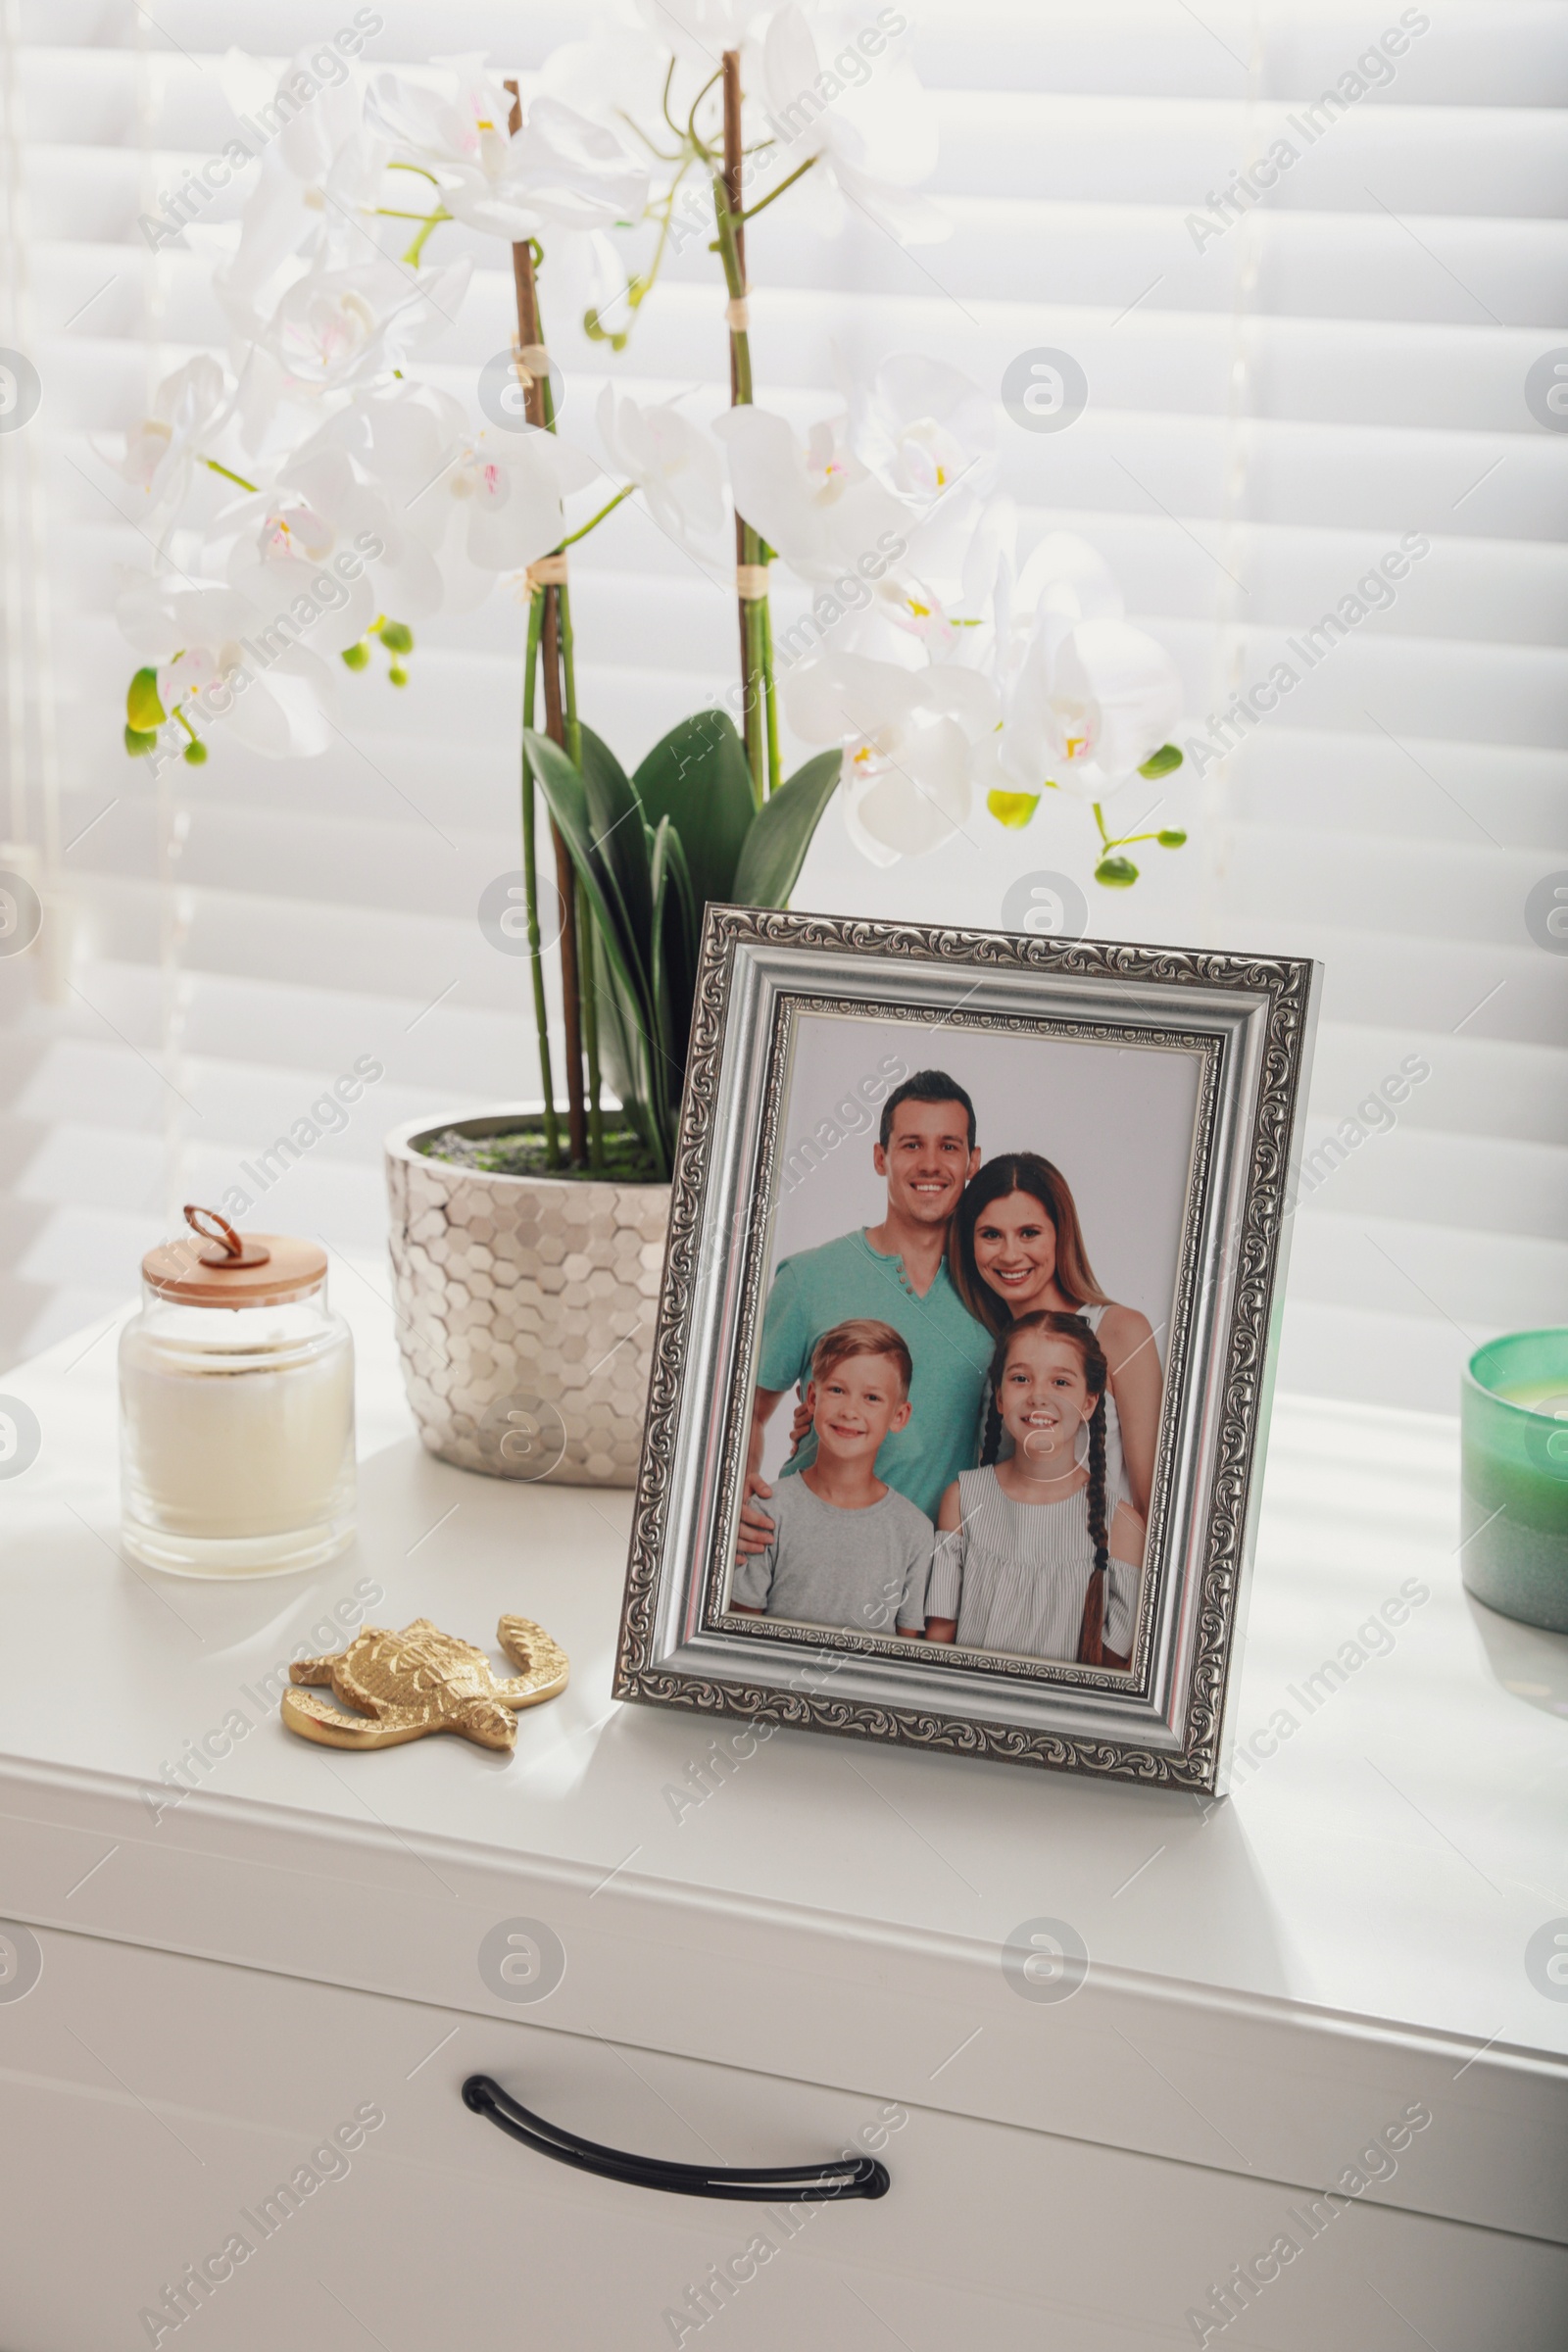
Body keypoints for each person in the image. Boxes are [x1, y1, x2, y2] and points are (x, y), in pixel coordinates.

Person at [740, 1070, 993, 1540]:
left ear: (973, 1161)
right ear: (881, 1158)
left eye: (949, 1146)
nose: (931, 1164)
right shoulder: (809, 1278)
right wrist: (736, 1494)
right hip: (806, 1548)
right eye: (912, 1144)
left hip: (931, 1572)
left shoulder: (994, 1291)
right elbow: (745, 1413)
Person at [951, 1152, 1162, 1519]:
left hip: (1095, 1566)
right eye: (991, 1235)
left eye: (1029, 1233)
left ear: (1061, 1234)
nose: (1010, 1254)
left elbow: (1154, 1509)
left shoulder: (1119, 1331)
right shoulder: (983, 1344)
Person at [925, 1311, 1144, 1666]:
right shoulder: (963, 1500)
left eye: (1061, 1382)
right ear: (999, 1397)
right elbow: (938, 1644)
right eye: (1021, 1378)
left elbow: (1114, 1674)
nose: (1038, 1396)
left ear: (1089, 1403)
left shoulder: (1122, 1527)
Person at [728, 1320, 933, 1638]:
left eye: (872, 1398)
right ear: (811, 1397)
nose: (850, 1410)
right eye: (837, 1390)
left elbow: (907, 1650)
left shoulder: (914, 1531)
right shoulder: (769, 1511)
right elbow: (742, 1633)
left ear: (899, 1416)